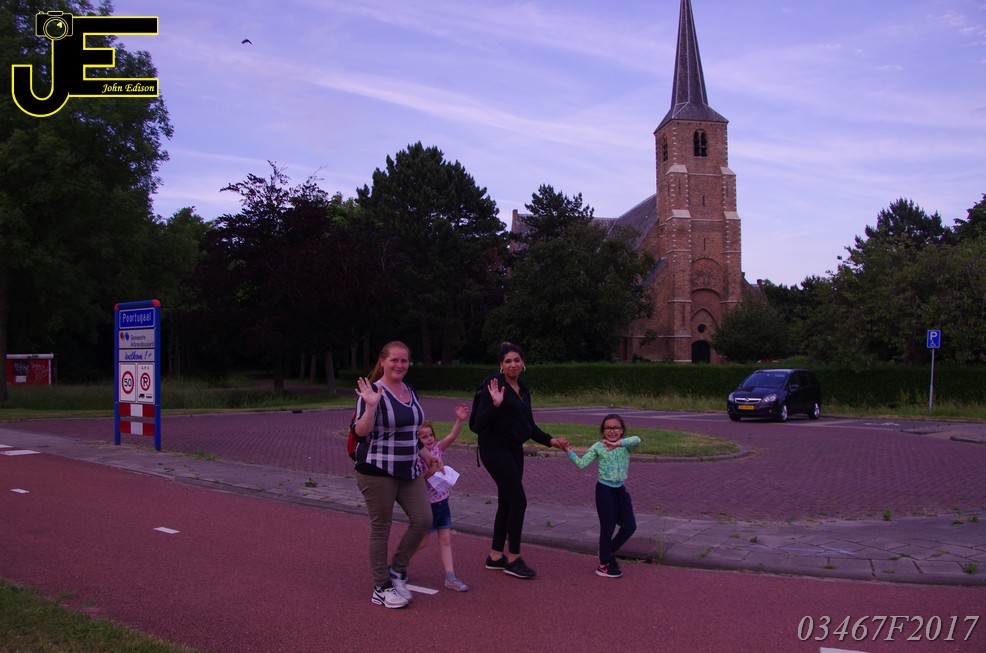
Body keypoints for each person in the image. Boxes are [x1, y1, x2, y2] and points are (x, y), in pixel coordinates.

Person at [470, 342, 568, 579]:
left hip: (514, 450)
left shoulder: (523, 388)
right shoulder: (493, 384)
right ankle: (513, 559)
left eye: (516, 360)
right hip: (494, 450)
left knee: (507, 502)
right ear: (501, 365)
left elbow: (529, 426)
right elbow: (477, 425)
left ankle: (495, 556)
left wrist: (551, 440)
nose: (513, 364)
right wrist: (495, 405)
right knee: (518, 501)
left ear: (523, 363)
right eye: (508, 361)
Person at [352, 341, 435, 609]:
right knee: (381, 527)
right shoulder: (373, 391)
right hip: (377, 470)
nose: (400, 365)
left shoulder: (410, 390)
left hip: (408, 469)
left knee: (423, 519)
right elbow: (360, 433)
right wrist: (371, 406)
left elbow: (411, 430)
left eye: (404, 360)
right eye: (394, 360)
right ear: (383, 362)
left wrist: (424, 452)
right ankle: (382, 587)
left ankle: (397, 568)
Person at [563, 413, 640, 578]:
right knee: (608, 527)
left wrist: (618, 444)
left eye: (616, 428)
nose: (612, 431)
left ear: (622, 430)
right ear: (603, 431)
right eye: (608, 428)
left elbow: (637, 440)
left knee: (630, 526)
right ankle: (603, 565)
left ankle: (608, 550)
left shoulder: (626, 445)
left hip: (620, 490)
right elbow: (582, 464)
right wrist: (568, 450)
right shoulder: (598, 446)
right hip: (604, 491)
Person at [416, 403, 470, 592]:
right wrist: (431, 471)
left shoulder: (438, 448)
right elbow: (418, 482)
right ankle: (399, 565)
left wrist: (460, 420)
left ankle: (450, 577)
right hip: (427, 506)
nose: (429, 439)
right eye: (424, 437)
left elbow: (452, 436)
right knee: (422, 542)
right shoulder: (417, 458)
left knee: (446, 540)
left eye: (431, 435)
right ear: (417, 441)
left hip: (443, 503)